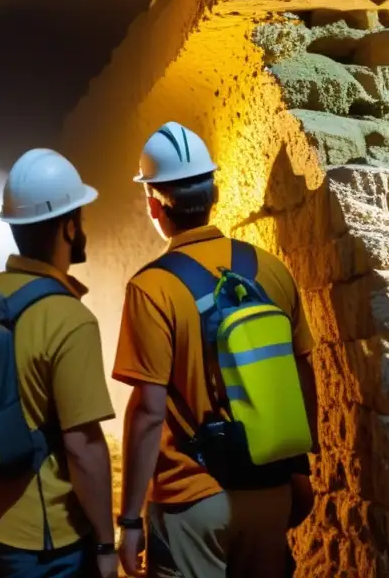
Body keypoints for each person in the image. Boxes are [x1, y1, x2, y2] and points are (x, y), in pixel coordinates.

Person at [113, 121, 320, 578]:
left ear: (154, 205)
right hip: (270, 491)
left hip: (191, 500)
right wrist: (300, 468)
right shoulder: (270, 269)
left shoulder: (152, 288)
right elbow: (301, 372)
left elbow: (148, 411)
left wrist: (129, 521)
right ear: (216, 193)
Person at [0, 148, 118, 578]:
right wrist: (105, 540)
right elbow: (83, 447)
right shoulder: (70, 318)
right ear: (69, 228)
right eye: (79, 219)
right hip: (45, 539)